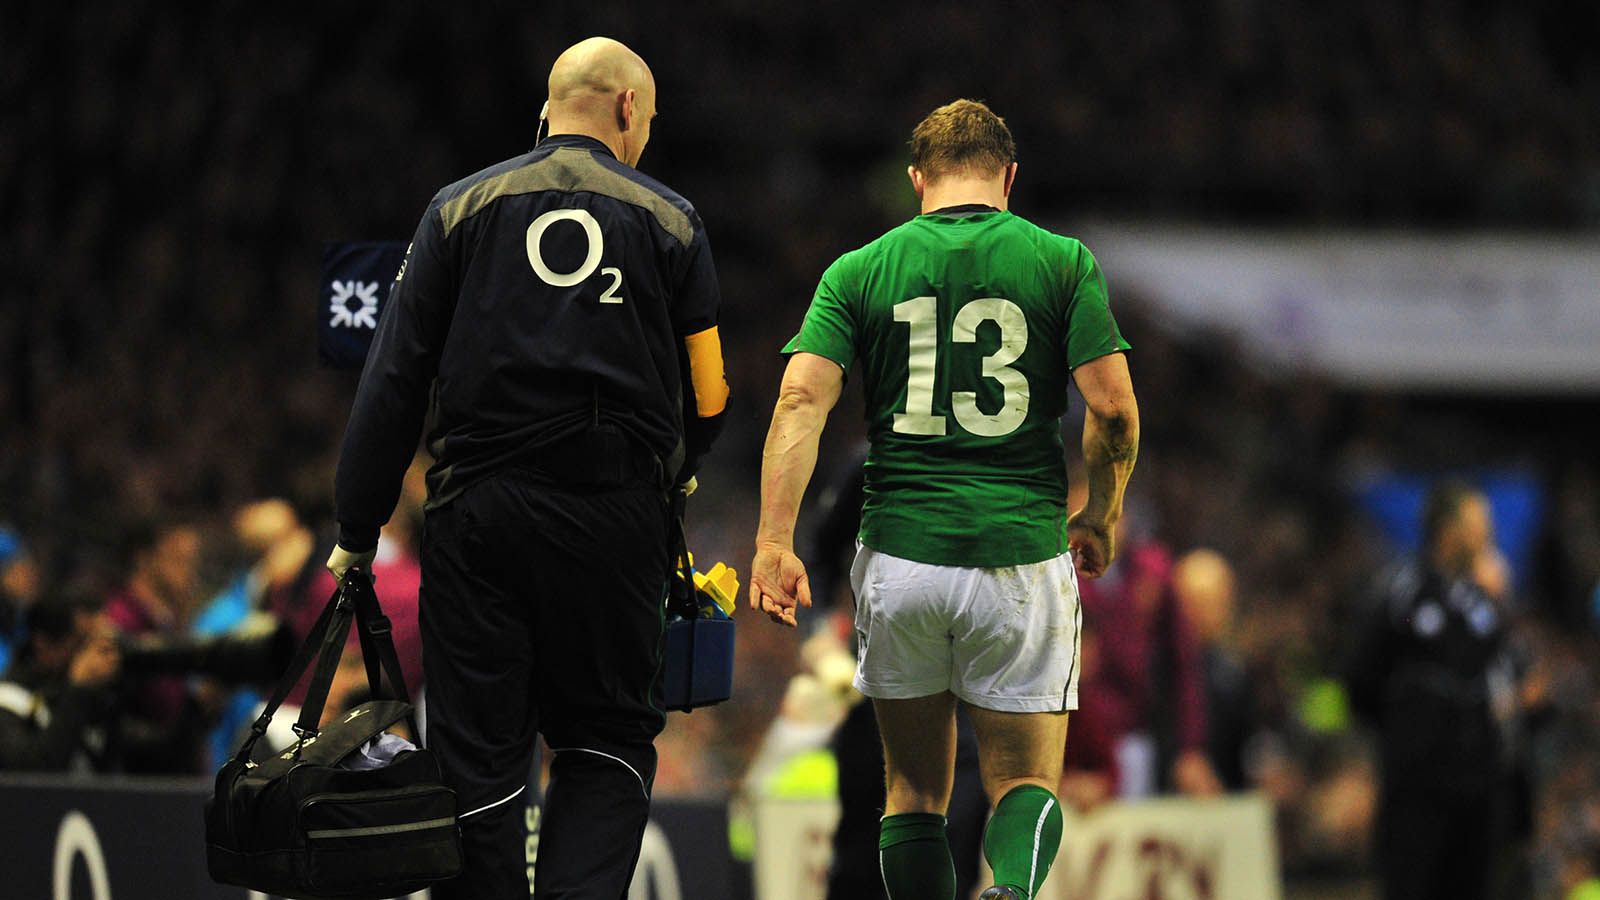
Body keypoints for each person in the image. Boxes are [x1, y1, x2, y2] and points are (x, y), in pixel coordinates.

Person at [325, 37, 728, 899]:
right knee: (606, 740)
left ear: (550, 108)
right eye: (647, 122)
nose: (646, 137)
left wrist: (357, 527)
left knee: (478, 752)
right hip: (615, 522)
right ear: (626, 109)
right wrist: (676, 473)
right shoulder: (674, 222)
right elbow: (712, 398)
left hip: (481, 518)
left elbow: (392, 381)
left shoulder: (455, 210)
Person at [751, 99, 1139, 900]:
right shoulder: (1062, 261)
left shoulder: (858, 269)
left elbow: (799, 402)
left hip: (900, 555)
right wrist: (1099, 513)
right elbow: (1113, 408)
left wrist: (773, 540)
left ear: (917, 179)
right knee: (1025, 782)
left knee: (913, 795)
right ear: (1010, 177)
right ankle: (1011, 891)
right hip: (1020, 553)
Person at [1346, 480, 1515, 900]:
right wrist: (1407, 732)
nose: (1487, 534)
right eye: (1478, 523)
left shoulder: (1482, 599)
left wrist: (1499, 602)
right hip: (1417, 786)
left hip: (1476, 784)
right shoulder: (1404, 589)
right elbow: (1361, 674)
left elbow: (1501, 670)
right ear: (1448, 528)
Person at [0, 592, 120, 771]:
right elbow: (32, 775)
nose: (95, 657)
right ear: (44, 644)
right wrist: (78, 691)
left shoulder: (97, 695)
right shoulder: (8, 701)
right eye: (83, 643)